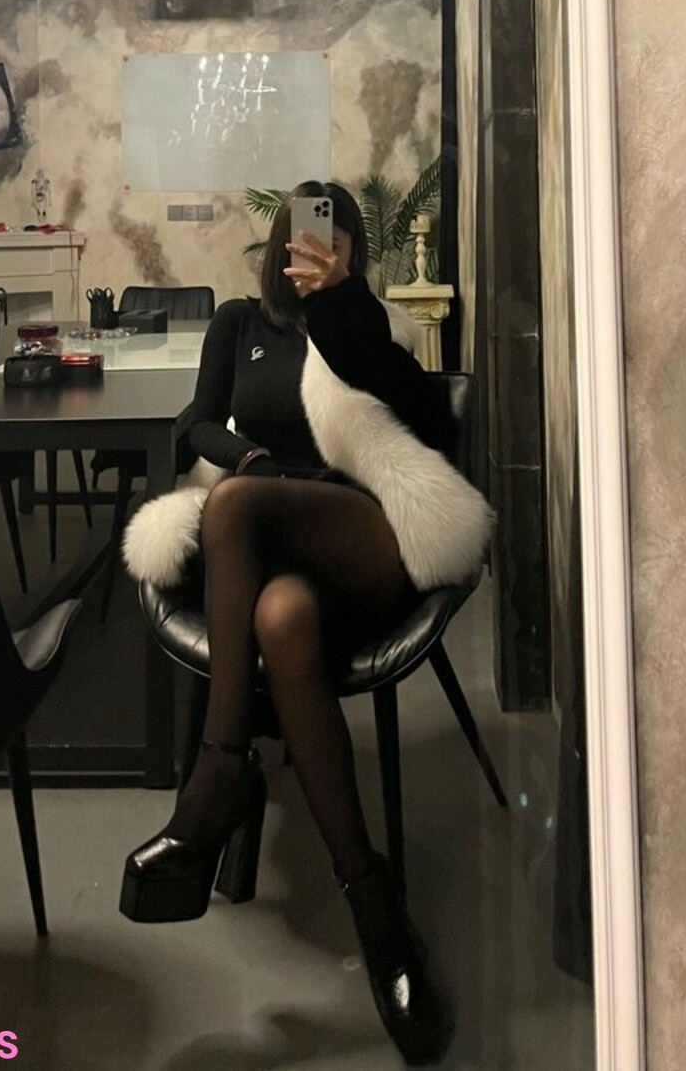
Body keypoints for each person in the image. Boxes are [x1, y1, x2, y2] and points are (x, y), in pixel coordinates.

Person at [121, 181, 494, 1066]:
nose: (312, 247)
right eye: (299, 234)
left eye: (332, 237)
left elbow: (423, 414)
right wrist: (245, 454)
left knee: (234, 506)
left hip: (361, 531)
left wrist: (342, 303)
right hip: (271, 545)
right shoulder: (238, 325)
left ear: (351, 251)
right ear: (278, 246)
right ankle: (378, 911)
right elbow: (197, 423)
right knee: (280, 614)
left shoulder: (361, 327)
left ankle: (220, 770)